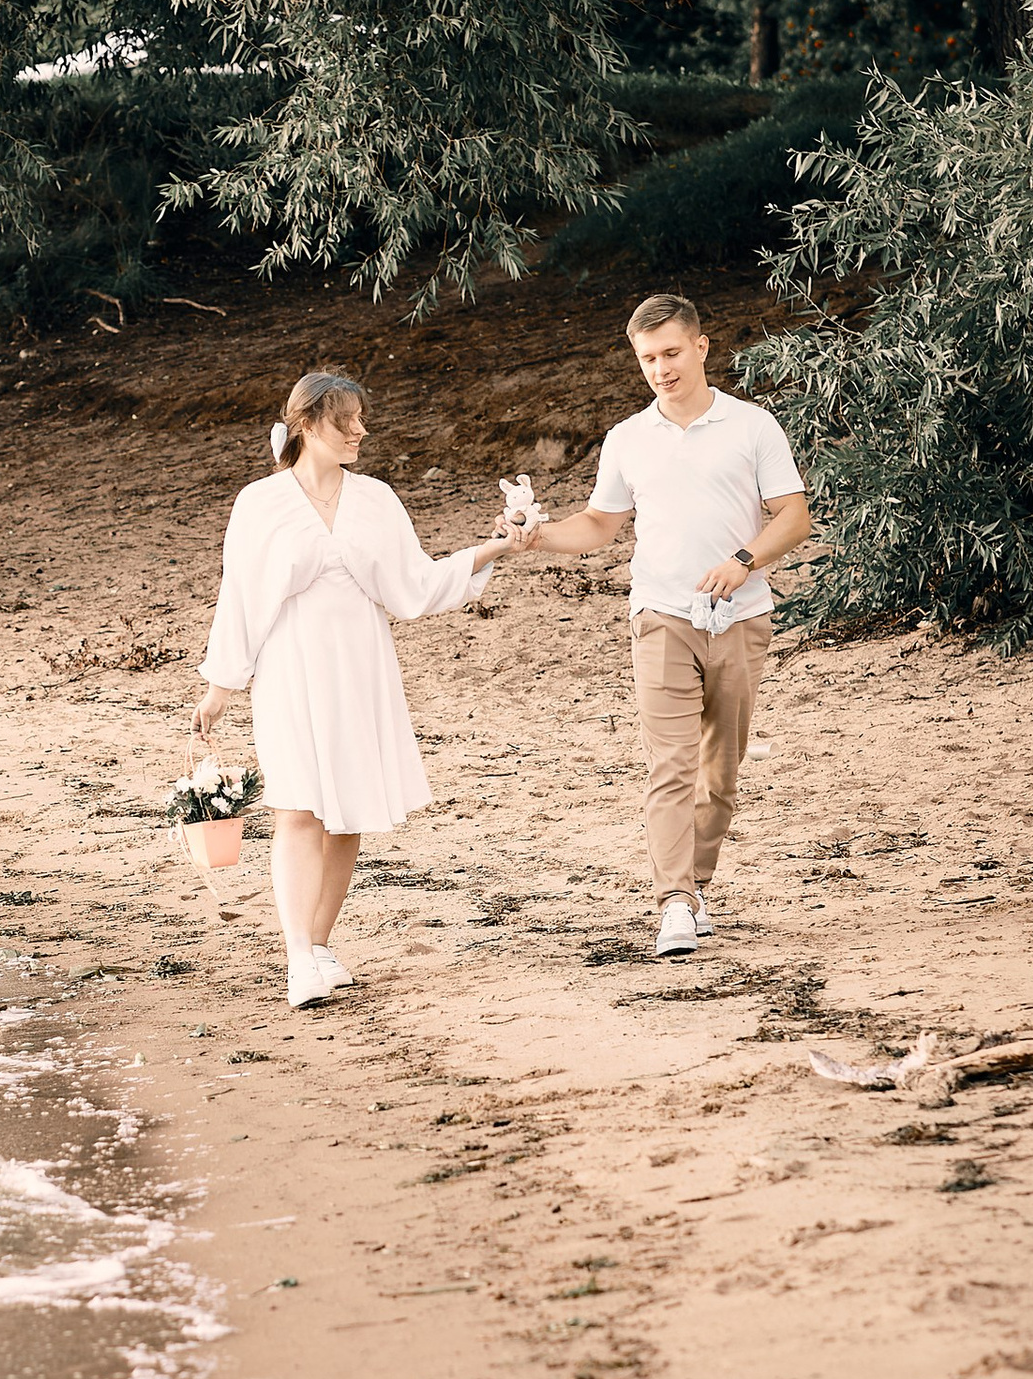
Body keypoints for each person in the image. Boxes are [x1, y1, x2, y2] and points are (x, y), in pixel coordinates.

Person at [194, 366, 516, 1011]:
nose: (360, 431)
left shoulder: (376, 498)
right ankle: (296, 960)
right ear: (308, 423)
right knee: (298, 809)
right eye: (348, 420)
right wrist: (222, 683)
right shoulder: (259, 502)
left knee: (347, 817)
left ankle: (315, 944)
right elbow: (241, 597)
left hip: (362, 668)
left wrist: (499, 547)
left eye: (361, 419)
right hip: (289, 670)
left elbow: (415, 586)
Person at [519, 290, 811, 958]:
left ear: (702, 347)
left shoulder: (752, 427)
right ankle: (675, 902)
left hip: (741, 619)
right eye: (648, 358)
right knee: (670, 767)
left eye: (672, 353)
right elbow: (598, 525)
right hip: (661, 618)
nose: (660, 368)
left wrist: (745, 560)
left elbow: (793, 516)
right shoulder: (628, 440)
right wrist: (536, 537)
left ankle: (697, 884)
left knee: (720, 773)